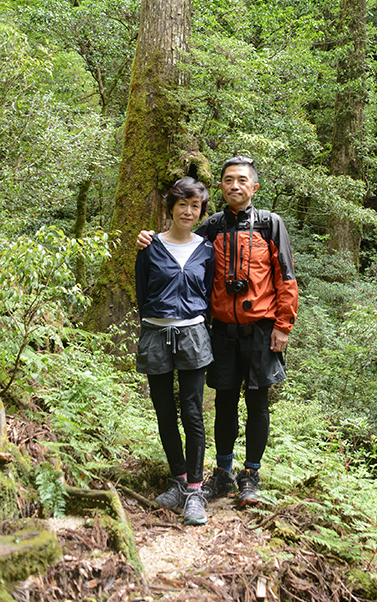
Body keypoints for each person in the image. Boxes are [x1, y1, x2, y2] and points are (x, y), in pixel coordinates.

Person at [137, 156, 298, 508]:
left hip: (261, 329)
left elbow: (286, 277)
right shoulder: (211, 227)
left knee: (257, 402)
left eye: (242, 180)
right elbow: (180, 247)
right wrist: (148, 238)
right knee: (224, 401)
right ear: (221, 186)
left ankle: (250, 475)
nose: (234, 186)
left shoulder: (270, 225)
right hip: (221, 330)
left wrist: (283, 326)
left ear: (254, 186)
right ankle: (223, 473)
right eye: (228, 180)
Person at [135, 176, 215, 526]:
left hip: (193, 335)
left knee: (192, 411)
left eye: (195, 206)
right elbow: (142, 291)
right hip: (156, 334)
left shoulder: (206, 249)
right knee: (165, 411)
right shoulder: (149, 246)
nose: (188, 211)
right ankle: (178, 480)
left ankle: (195, 490)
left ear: (200, 211)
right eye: (182, 204)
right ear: (170, 207)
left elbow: (208, 293)